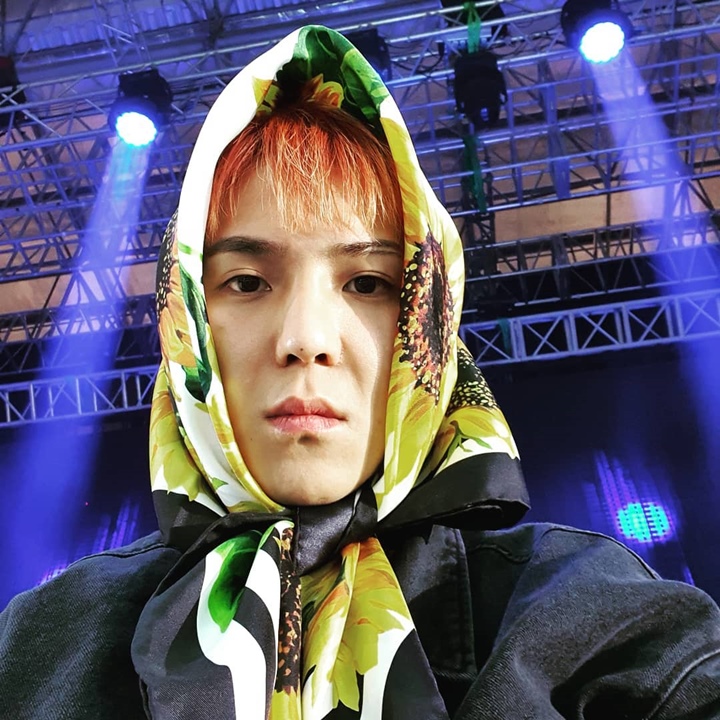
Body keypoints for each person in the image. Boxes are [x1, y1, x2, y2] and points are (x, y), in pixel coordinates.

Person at [1, 24, 720, 720]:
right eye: (246, 282)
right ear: (182, 317)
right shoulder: (46, 640)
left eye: (369, 283)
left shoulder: (593, 618)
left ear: (428, 322)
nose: (305, 340)